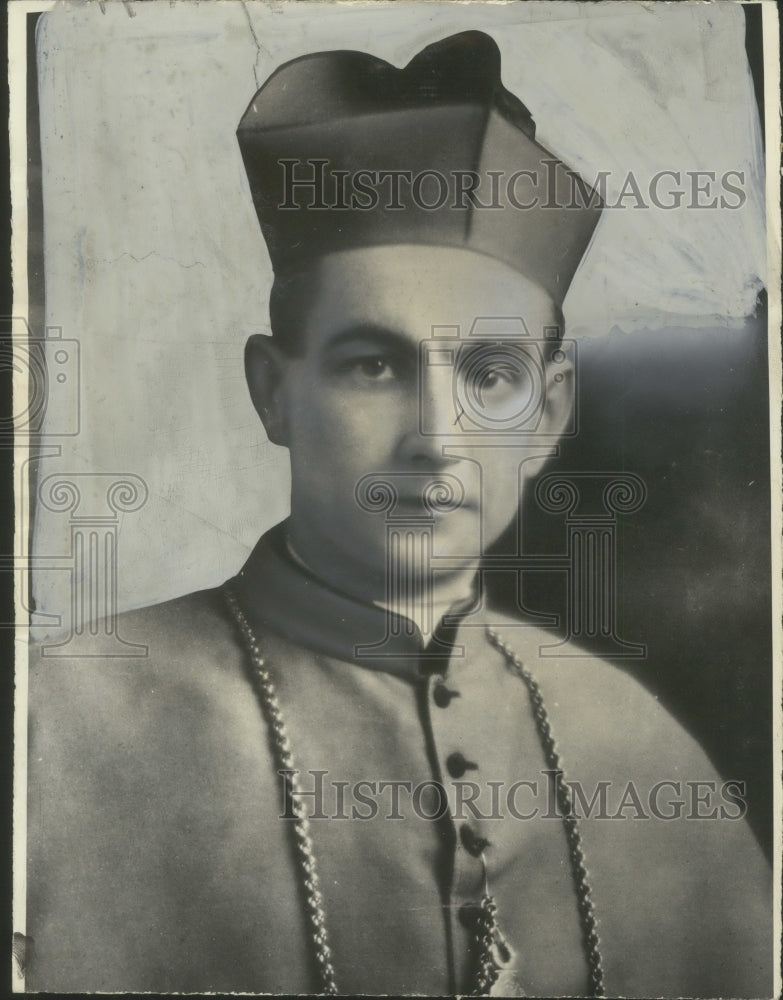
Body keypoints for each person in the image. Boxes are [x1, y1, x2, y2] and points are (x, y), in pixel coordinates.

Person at [26, 31, 771, 997]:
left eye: (490, 375)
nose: (437, 437)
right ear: (272, 391)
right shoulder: (57, 726)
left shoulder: (636, 742)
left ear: (546, 417)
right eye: (373, 365)